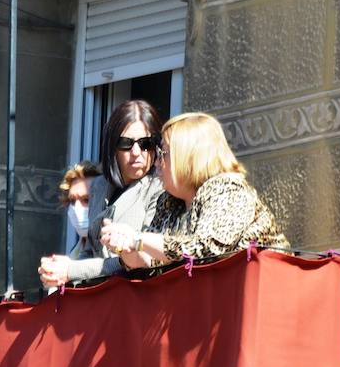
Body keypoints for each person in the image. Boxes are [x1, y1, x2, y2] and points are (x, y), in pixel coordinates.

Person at [100, 111, 288, 266]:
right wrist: (127, 249)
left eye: (162, 153)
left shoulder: (229, 190)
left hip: (261, 302)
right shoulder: (168, 202)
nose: (156, 162)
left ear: (188, 157)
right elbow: (154, 261)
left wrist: (139, 239)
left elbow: (206, 249)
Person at [38, 99, 166, 287]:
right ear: (112, 146)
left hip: (139, 296)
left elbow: (141, 262)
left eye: (145, 143)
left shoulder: (160, 186)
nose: (137, 152)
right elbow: (90, 249)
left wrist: (71, 270)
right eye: (126, 143)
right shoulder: (99, 186)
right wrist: (57, 270)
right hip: (100, 300)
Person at [58, 161, 101, 259]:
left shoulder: (113, 254)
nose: (77, 208)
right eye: (72, 201)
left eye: (86, 200)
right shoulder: (76, 250)